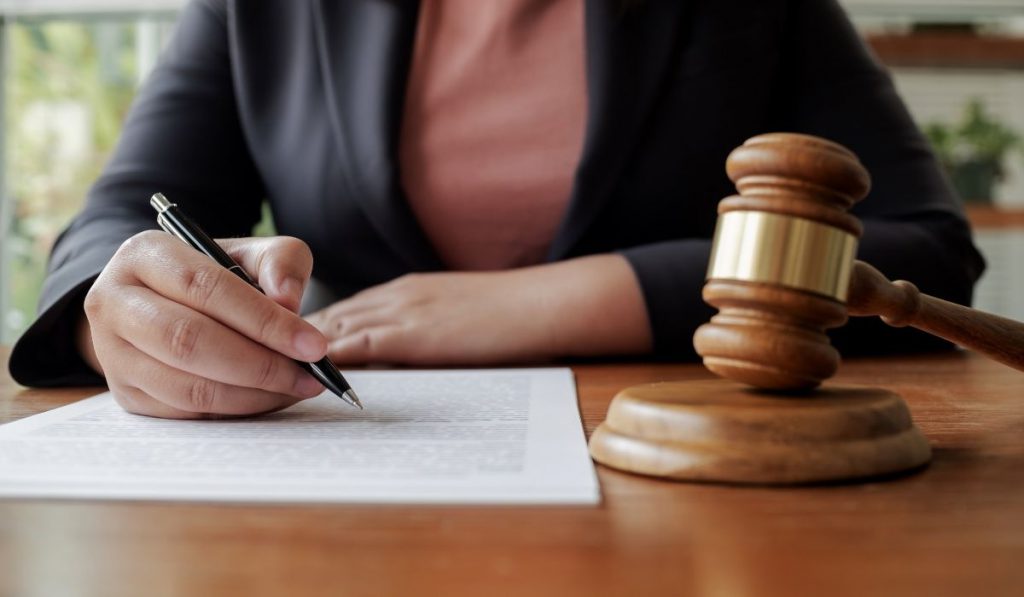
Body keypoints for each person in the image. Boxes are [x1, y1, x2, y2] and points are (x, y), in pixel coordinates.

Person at [8, 0, 985, 419]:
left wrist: (565, 298)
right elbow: (114, 227)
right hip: (357, 482)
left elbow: (928, 254)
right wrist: (126, 313)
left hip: (690, 484)